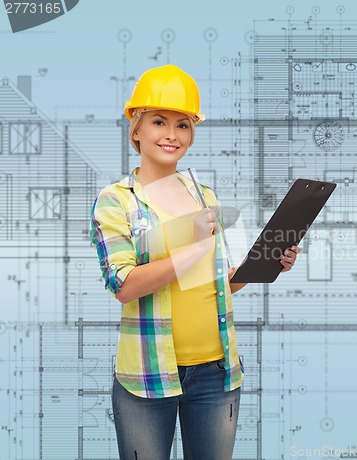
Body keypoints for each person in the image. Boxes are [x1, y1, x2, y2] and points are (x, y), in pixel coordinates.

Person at [89, 64, 299, 460]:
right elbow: (124, 285)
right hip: (148, 378)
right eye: (158, 121)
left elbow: (220, 283)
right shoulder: (116, 200)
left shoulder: (205, 196)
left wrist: (267, 263)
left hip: (217, 373)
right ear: (136, 129)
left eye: (183, 124)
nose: (171, 134)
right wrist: (189, 252)